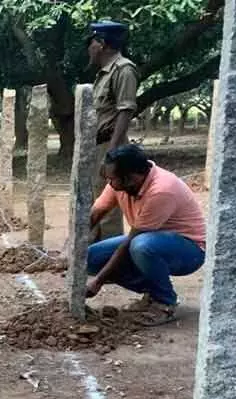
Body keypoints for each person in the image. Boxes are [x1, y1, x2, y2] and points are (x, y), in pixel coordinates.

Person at [86, 145, 206, 326]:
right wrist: (72, 248)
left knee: (141, 246)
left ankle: (165, 302)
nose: (111, 184)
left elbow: (130, 242)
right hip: (150, 240)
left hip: (189, 250)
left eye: (114, 179)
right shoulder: (119, 183)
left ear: (132, 177)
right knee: (89, 258)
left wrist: (98, 281)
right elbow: (95, 214)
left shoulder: (162, 190)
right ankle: (153, 292)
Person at [88, 20, 139, 242]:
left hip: (109, 144)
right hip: (96, 145)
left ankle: (109, 259)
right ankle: (91, 254)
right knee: (94, 199)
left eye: (91, 42)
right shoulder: (103, 74)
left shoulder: (124, 70)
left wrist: (111, 154)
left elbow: (125, 111)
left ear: (101, 44)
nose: (88, 48)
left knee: (108, 206)